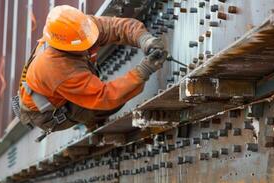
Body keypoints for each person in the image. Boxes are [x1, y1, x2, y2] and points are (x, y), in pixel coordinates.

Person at [17, 5, 167, 140]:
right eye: (81, 45)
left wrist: (145, 39)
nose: (88, 45)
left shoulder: (79, 29)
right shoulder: (56, 68)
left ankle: (84, 106)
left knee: (100, 87)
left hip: (57, 85)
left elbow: (116, 27)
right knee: (106, 104)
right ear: (63, 46)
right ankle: (89, 120)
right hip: (48, 113)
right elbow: (104, 97)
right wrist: (143, 70)